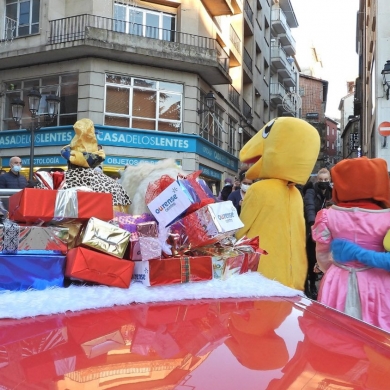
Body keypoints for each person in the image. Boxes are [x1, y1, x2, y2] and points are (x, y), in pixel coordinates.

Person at [311, 157, 390, 332]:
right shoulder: (387, 217)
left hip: (338, 281)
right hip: (377, 285)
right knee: (377, 339)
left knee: (335, 333)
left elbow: (322, 255)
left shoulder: (327, 216)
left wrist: (336, 267)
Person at [303, 168, 332, 299]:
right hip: (312, 229)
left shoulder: (331, 193)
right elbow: (309, 206)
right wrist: (312, 222)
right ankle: (309, 284)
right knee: (311, 257)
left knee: (323, 259)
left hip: (327, 230)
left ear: (330, 180)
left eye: (326, 180)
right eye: (321, 180)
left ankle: (322, 285)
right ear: (317, 180)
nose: (323, 182)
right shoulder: (311, 192)